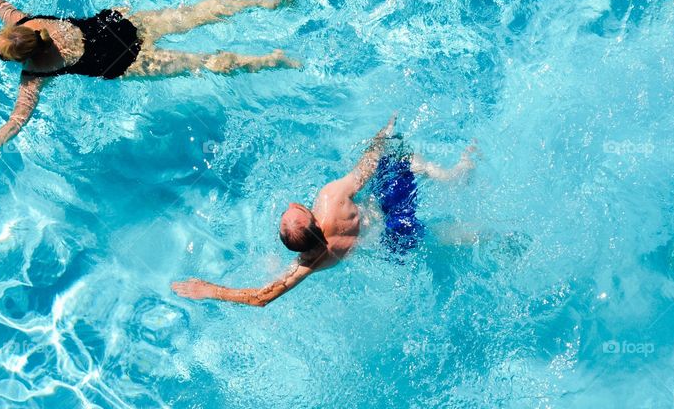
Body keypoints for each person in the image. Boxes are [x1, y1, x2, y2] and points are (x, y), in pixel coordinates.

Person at [0, 0, 299, 182]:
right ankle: (264, 2)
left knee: (203, 63)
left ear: (21, 57)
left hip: (126, 63)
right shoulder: (31, 22)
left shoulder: (34, 76)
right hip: (120, 27)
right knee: (195, 14)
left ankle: (273, 60)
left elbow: (15, 125)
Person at [171, 114, 476, 307]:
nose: (290, 205)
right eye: (295, 211)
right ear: (314, 219)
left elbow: (260, 297)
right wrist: (382, 135)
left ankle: (473, 236)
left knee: (435, 238)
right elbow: (366, 167)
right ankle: (454, 174)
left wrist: (209, 289)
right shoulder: (331, 201)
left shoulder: (310, 262)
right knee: (403, 158)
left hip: (389, 242)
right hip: (387, 211)